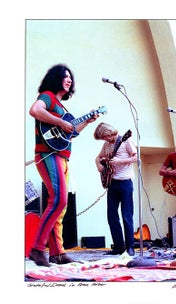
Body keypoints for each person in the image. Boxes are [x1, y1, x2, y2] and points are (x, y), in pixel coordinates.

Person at [28, 64, 99, 267]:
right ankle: (37, 248)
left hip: (62, 157)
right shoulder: (48, 96)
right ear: (55, 78)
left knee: (61, 205)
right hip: (49, 154)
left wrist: (88, 121)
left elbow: (72, 132)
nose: (69, 80)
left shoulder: (62, 107)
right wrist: (60, 123)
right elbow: (35, 110)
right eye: (65, 76)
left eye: (71, 77)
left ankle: (57, 252)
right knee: (58, 201)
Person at [94, 122, 137, 256]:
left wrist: (120, 162)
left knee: (126, 215)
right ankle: (118, 246)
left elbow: (136, 157)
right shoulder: (106, 145)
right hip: (112, 183)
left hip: (125, 183)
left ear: (108, 133)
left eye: (104, 137)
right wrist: (99, 166)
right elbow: (98, 157)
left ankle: (130, 246)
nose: (105, 140)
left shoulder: (126, 140)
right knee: (112, 215)